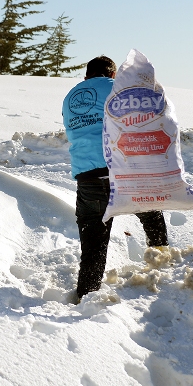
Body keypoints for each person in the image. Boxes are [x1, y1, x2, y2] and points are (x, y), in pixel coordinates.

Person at [62, 56, 168, 301]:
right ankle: (163, 266)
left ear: (86, 76)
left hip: (88, 177)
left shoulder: (71, 97)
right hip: (122, 170)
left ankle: (86, 295)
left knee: (93, 244)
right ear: (112, 75)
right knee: (151, 214)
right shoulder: (118, 88)